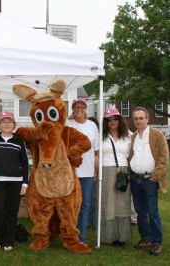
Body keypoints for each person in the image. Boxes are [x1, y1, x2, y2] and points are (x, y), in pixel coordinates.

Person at [0, 111, 29, 251]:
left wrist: (25, 182)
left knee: (11, 212)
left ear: (14, 125)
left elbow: (25, 163)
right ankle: (1, 237)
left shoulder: (19, 141)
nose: (7, 124)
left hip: (16, 181)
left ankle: (8, 241)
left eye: (10, 122)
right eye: (4, 122)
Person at [128, 107, 169, 256]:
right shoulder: (133, 137)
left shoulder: (157, 135)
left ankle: (157, 242)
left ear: (147, 119)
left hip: (149, 180)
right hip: (135, 179)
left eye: (141, 118)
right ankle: (145, 238)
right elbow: (131, 156)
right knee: (140, 212)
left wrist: (154, 177)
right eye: (136, 119)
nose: (138, 121)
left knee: (152, 212)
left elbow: (164, 159)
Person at [66, 98, 99, 245]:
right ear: (73, 108)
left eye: (82, 106)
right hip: (70, 172)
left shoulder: (92, 125)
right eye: (76, 106)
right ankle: (70, 235)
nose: (79, 109)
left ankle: (82, 238)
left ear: (86, 109)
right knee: (70, 205)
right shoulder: (68, 124)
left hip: (87, 173)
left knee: (85, 205)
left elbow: (96, 151)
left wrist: (96, 171)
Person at [100, 107, 131, 247]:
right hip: (106, 171)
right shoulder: (102, 136)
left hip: (123, 172)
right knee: (108, 204)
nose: (112, 121)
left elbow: (132, 154)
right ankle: (109, 236)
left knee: (122, 204)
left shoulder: (128, 135)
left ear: (119, 120)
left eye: (114, 118)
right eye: (109, 119)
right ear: (106, 122)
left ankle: (121, 237)